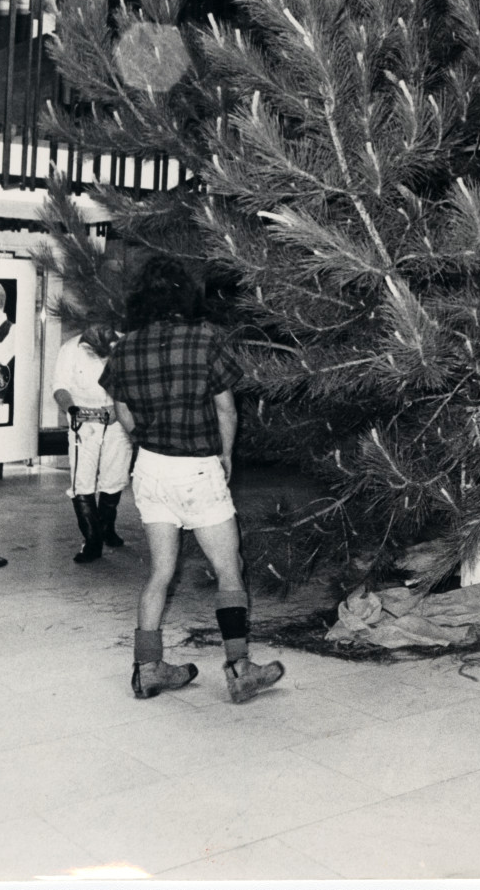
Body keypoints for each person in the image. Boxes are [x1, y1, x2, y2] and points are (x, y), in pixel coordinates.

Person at [99, 257, 284, 704]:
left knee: (159, 573)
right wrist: (224, 454)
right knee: (229, 570)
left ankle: (147, 670)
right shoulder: (205, 339)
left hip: (149, 469)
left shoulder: (125, 348)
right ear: (185, 294)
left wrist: (144, 436)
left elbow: (120, 411)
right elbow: (226, 408)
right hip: (196, 468)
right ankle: (240, 669)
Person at [52, 324, 132, 562]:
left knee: (115, 476)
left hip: (117, 421)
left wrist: (124, 408)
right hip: (83, 422)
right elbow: (59, 388)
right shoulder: (70, 349)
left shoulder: (126, 343)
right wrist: (73, 409)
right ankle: (92, 541)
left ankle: (106, 529)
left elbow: (135, 383)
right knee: (82, 480)